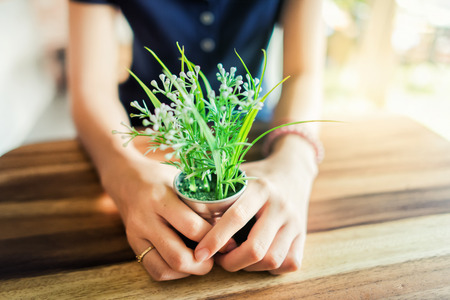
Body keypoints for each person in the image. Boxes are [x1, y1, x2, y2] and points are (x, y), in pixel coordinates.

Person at [68, 0, 324, 281]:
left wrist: (296, 161)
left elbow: (303, 72)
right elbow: (91, 88)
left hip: (247, 132)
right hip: (150, 133)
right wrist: (121, 172)